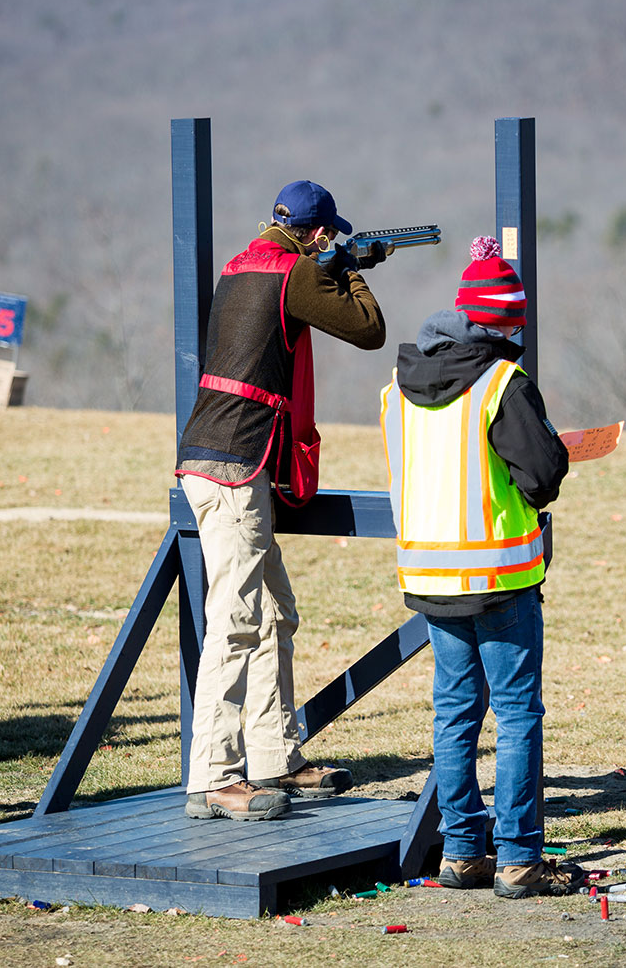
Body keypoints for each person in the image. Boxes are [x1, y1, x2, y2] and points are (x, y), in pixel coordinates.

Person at [176, 181, 384, 821]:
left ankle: (274, 755)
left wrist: (334, 264)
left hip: (223, 457)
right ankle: (215, 775)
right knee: (237, 620)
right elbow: (370, 329)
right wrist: (349, 273)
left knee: (274, 613)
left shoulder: (242, 267)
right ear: (318, 234)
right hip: (237, 464)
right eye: (331, 237)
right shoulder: (296, 274)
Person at [379, 236, 579, 898]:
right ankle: (520, 857)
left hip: (430, 579)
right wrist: (557, 450)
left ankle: (463, 852)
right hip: (498, 578)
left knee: (455, 713)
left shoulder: (399, 388)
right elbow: (540, 478)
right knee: (517, 714)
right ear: (505, 325)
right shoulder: (502, 384)